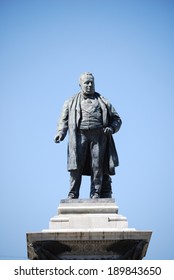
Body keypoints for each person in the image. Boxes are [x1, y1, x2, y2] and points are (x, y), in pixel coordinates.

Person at [54, 72, 122, 199]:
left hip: (99, 136)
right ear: (80, 84)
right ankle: (73, 192)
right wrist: (60, 132)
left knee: (97, 166)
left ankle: (96, 192)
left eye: (92, 82)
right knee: (76, 166)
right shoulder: (70, 101)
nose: (90, 85)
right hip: (79, 135)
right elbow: (63, 119)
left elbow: (117, 119)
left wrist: (111, 128)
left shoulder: (103, 100)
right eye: (86, 82)